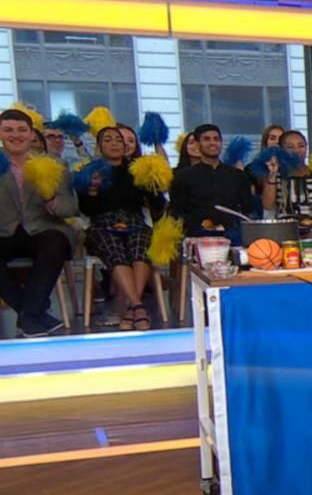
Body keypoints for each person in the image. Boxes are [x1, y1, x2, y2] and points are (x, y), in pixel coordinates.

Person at [0, 108, 79, 337]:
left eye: (21, 130)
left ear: (30, 133)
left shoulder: (54, 164)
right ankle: (33, 313)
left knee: (56, 241)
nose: (16, 135)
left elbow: (70, 207)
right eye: (8, 130)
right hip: (4, 231)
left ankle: (29, 315)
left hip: (43, 228)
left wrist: (50, 200)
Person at [80, 126, 163, 331]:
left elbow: (158, 205)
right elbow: (86, 209)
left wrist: (153, 184)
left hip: (134, 223)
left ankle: (130, 309)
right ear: (99, 146)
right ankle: (138, 306)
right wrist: (93, 190)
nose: (115, 143)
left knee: (141, 247)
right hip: (102, 224)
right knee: (115, 249)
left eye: (118, 140)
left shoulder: (137, 170)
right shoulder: (89, 171)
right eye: (108, 140)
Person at [167, 125, 260, 239]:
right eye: (206, 139)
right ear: (197, 144)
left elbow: (248, 210)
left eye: (216, 139)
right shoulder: (183, 176)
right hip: (195, 238)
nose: (212, 143)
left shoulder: (238, 175)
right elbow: (176, 213)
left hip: (232, 237)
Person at [262, 129, 312, 221]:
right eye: (290, 147)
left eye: (301, 146)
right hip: (285, 230)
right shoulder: (276, 175)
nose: (296, 150)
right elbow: (267, 206)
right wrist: (272, 175)